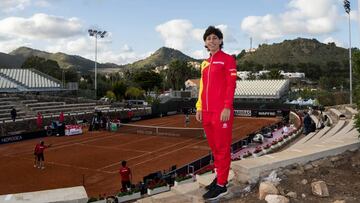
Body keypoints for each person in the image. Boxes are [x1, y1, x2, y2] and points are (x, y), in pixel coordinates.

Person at [195, 26, 237, 201]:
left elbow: (231, 85)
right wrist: (198, 107)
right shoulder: (204, 64)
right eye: (208, 38)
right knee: (214, 148)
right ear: (205, 42)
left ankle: (222, 185)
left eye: (214, 38)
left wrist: (227, 107)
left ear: (220, 41)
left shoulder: (228, 60)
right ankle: (219, 178)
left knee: (222, 148)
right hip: (206, 112)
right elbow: (202, 88)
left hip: (221, 113)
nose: (211, 40)